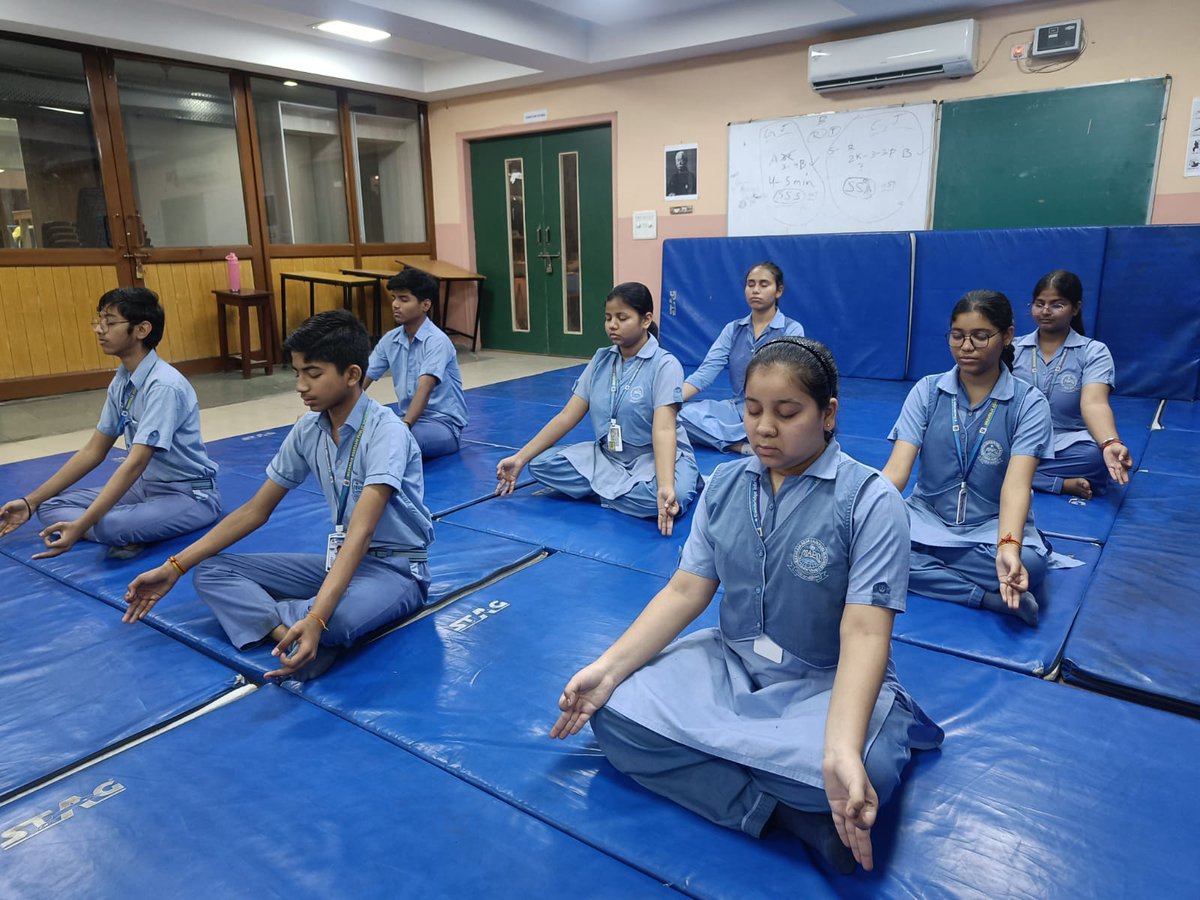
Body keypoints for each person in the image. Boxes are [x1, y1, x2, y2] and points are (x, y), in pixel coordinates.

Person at [550, 337, 942, 874]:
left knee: (857, 770)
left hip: (825, 681)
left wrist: (842, 749)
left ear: (828, 414)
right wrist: (608, 668)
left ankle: (775, 779)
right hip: (732, 663)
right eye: (753, 410)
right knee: (613, 713)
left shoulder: (870, 501)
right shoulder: (725, 484)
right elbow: (686, 591)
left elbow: (866, 633)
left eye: (787, 413)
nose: (764, 428)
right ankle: (783, 814)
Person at [124, 310, 433, 681]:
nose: (301, 386)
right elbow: (255, 510)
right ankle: (289, 634)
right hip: (338, 564)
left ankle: (305, 624)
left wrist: (318, 617)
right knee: (212, 571)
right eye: (297, 373)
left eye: (313, 374)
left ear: (352, 375)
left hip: (394, 570)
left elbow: (362, 532)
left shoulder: (387, 432)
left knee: (337, 620)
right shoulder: (309, 429)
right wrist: (174, 567)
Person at [0, 287, 220, 560]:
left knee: (110, 525)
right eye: (99, 320)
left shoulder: (164, 385)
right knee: (50, 505)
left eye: (110, 322)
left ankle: (121, 527)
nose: (99, 329)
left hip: (189, 495)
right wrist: (29, 502)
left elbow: (136, 463)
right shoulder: (123, 380)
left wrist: (82, 524)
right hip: (145, 488)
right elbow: (94, 451)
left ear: (142, 330)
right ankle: (131, 527)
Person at [882, 290, 1053, 627]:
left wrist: (1008, 546)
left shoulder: (1029, 403)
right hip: (925, 519)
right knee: (862, 541)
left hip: (989, 528)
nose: (966, 346)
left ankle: (922, 563)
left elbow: (1016, 487)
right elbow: (896, 472)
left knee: (1030, 567)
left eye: (980, 336)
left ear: (1007, 336)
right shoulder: (928, 391)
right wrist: (858, 513)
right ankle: (986, 598)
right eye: (957, 336)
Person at [494, 283, 700, 536]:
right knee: (541, 465)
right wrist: (520, 458)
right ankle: (618, 495)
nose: (612, 325)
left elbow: (664, 430)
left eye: (622, 318)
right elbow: (567, 416)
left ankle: (601, 491)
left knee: (673, 496)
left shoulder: (666, 365)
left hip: (654, 458)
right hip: (609, 457)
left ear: (646, 320)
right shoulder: (601, 359)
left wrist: (665, 485)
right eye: (608, 317)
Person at [1012, 270, 1132, 499]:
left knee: (1094, 458)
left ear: (1075, 308)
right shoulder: (1013, 349)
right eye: (1039, 304)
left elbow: (1094, 403)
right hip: (1017, 438)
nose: (1045, 311)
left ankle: (1009, 474)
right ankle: (1058, 483)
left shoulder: (1093, 352)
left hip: (1065, 443)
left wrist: (1109, 443)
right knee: (980, 450)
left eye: (1057, 305)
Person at [679, 261, 805, 455]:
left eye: (764, 284)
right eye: (750, 284)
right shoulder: (733, 329)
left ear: (778, 291)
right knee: (674, 416)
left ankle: (745, 436)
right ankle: (740, 446)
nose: (755, 290)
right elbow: (705, 373)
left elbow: (791, 381)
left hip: (774, 411)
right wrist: (667, 401)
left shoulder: (791, 329)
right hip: (737, 409)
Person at [363, 267, 467, 459]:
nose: (395, 305)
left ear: (425, 305)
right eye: (394, 298)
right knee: (363, 434)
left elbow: (424, 389)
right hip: (407, 421)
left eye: (404, 299)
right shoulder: (390, 340)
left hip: (442, 425)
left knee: (393, 442)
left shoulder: (437, 341)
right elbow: (362, 379)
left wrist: (404, 428)